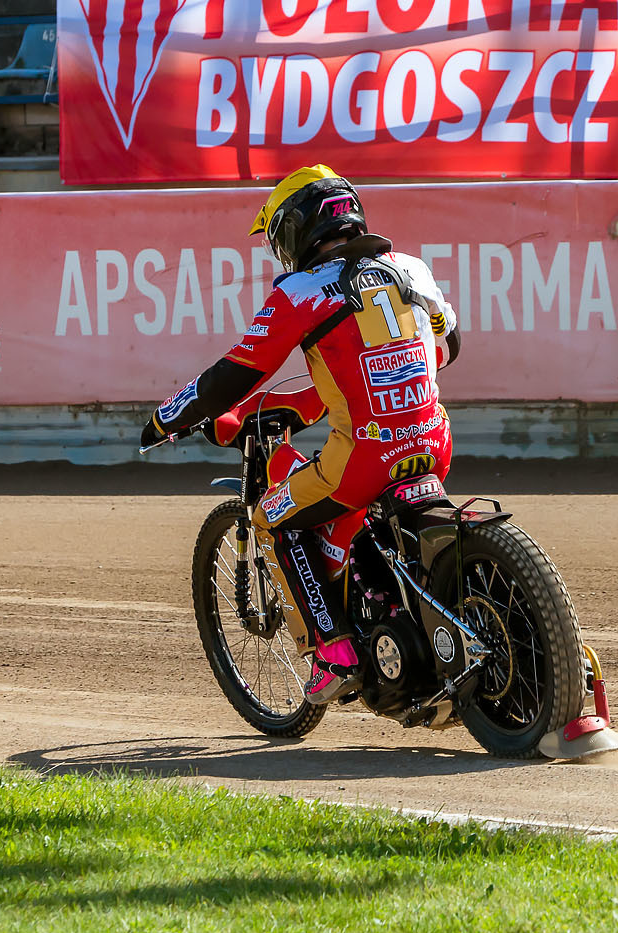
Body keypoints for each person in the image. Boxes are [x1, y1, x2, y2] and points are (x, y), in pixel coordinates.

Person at [139, 169, 460, 705]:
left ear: (295, 229)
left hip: (364, 458)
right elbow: (444, 347)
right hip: (434, 443)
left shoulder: (299, 291)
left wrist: (166, 419)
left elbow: (236, 375)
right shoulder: (408, 267)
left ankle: (333, 654)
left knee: (272, 516)